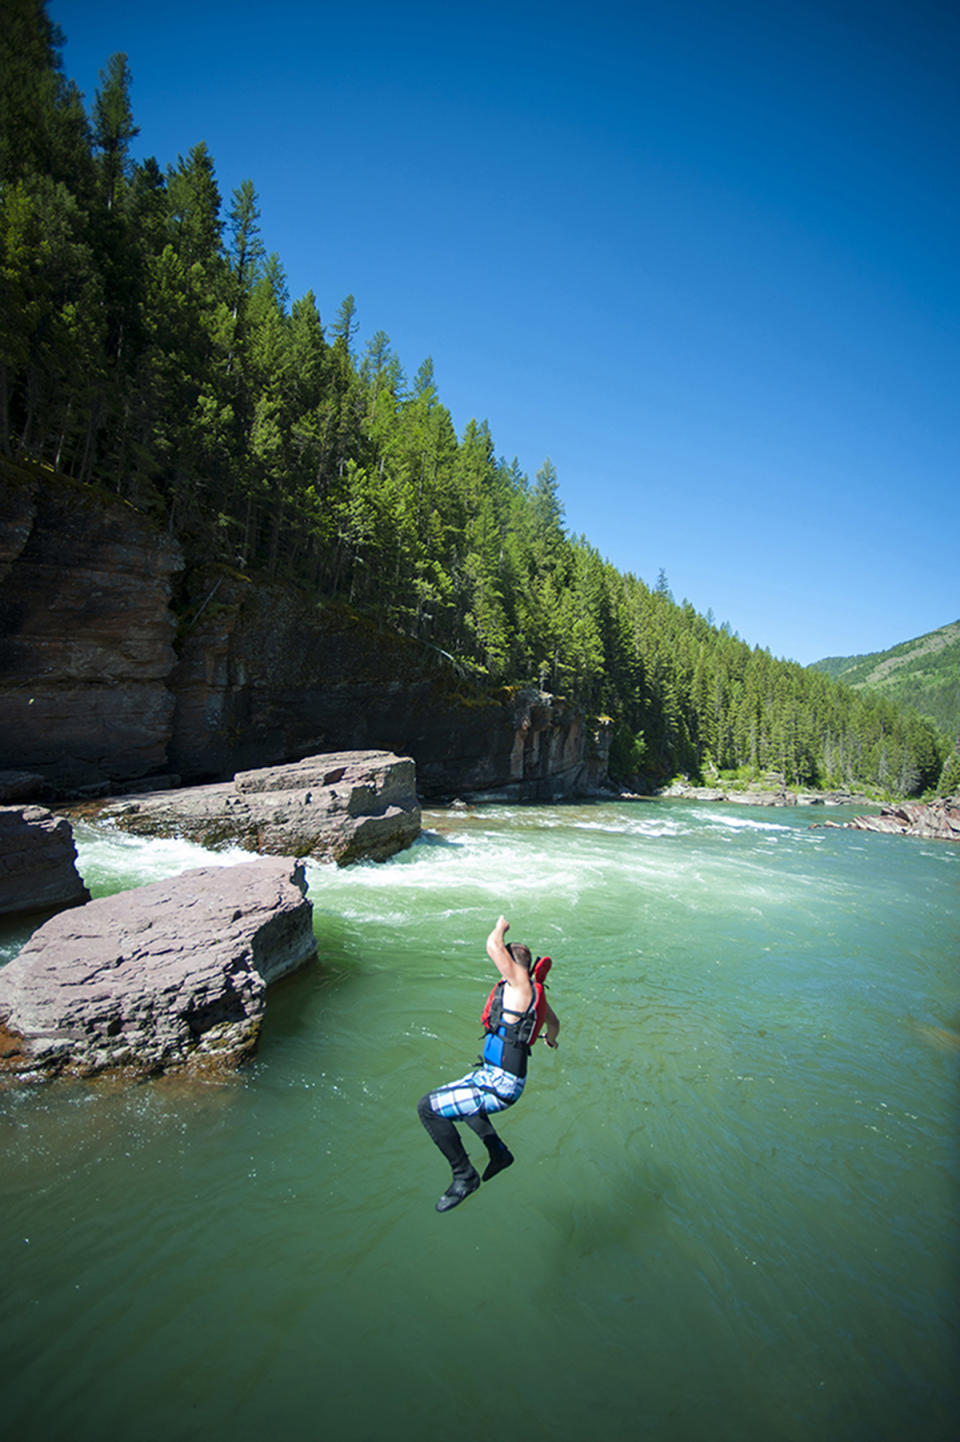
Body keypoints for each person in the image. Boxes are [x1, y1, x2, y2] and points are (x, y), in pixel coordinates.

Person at [416, 914, 560, 1213]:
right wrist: (550, 1038)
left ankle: (464, 1175)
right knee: (464, 1108)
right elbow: (554, 1022)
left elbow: (492, 947)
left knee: (428, 1108)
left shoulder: (519, 984)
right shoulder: (530, 993)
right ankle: (499, 1153)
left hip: (501, 1084)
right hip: (493, 1076)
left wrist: (500, 928)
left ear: (513, 964)